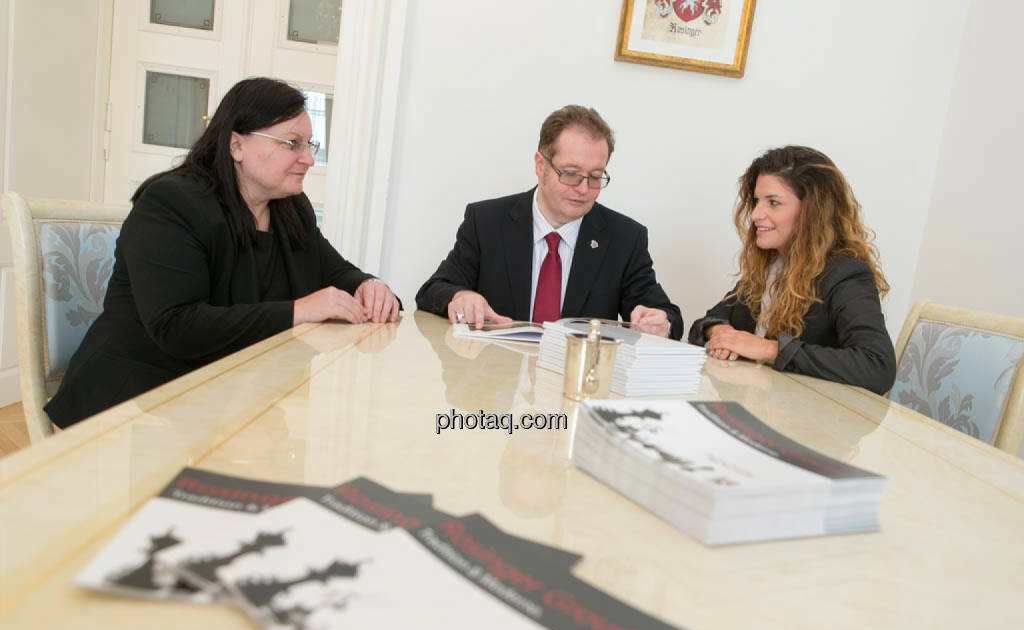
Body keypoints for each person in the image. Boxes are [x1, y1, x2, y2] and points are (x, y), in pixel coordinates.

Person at [45, 77, 400, 428]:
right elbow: (177, 326)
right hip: (137, 399)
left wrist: (367, 285)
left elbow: (334, 271)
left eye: (311, 145)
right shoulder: (171, 203)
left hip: (228, 392)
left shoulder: (290, 208)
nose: (307, 159)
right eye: (291, 143)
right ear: (236, 146)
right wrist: (300, 310)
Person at [415, 105, 683, 339]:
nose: (583, 188)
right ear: (541, 165)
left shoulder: (624, 238)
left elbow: (668, 315)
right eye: (570, 174)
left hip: (577, 385)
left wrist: (661, 323)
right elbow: (432, 290)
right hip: (497, 384)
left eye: (595, 176)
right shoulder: (487, 222)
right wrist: (460, 296)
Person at [688, 145, 897, 395]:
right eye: (756, 201)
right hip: (757, 414)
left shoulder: (846, 274)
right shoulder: (768, 265)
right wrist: (722, 332)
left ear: (812, 212)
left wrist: (769, 349)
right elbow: (711, 318)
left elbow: (877, 366)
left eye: (773, 203)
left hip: (814, 423)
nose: (755, 214)